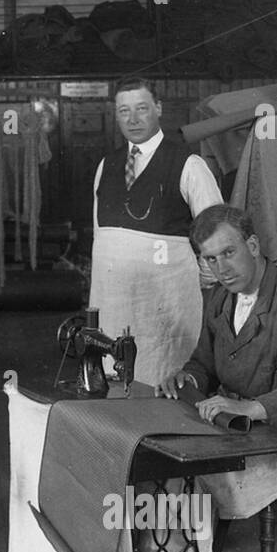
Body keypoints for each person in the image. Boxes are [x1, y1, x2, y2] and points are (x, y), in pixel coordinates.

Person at [158, 204, 277, 519]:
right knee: (165, 468)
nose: (222, 268)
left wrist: (249, 408)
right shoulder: (220, 298)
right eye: (211, 259)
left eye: (229, 252)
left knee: (192, 485)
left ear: (254, 246)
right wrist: (185, 381)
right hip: (244, 431)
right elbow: (202, 364)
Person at [90, 76, 223, 387]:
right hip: (113, 300)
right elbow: (100, 235)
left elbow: (215, 232)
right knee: (115, 384)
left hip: (165, 306)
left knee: (166, 382)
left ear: (159, 108)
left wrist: (201, 277)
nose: (133, 119)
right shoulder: (106, 165)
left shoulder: (189, 164)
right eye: (124, 111)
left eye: (141, 108)